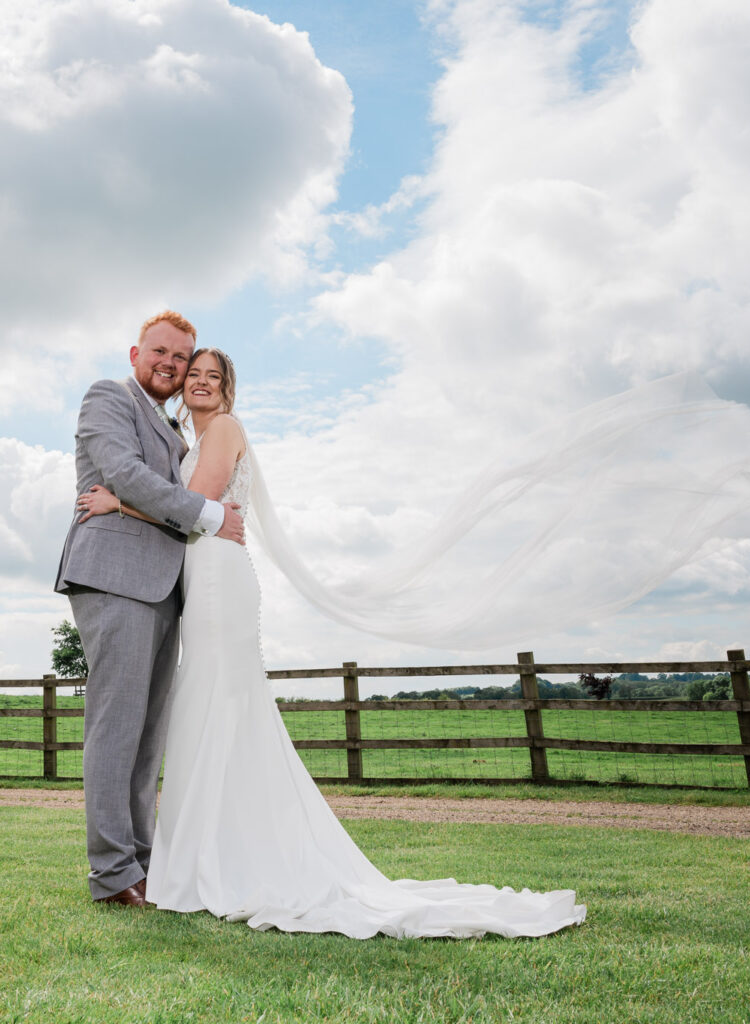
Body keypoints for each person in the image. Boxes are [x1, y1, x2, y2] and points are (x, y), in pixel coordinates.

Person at [74, 348, 587, 938]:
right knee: (211, 710)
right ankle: (198, 854)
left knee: (213, 706)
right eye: (195, 375)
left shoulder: (221, 431)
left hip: (216, 577)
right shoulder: (194, 436)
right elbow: (193, 505)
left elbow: (197, 511)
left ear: (229, 390)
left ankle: (203, 861)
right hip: (204, 576)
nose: (201, 383)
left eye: (214, 377)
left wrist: (120, 504)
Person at [54, 312, 245, 908]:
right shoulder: (108, 397)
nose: (171, 363)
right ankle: (112, 876)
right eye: (160, 351)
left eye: (181, 356)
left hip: (167, 586)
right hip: (115, 577)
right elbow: (124, 474)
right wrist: (209, 516)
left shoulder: (178, 431)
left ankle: (141, 863)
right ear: (136, 352)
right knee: (116, 728)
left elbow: (145, 491)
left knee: (146, 737)